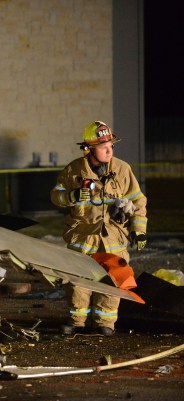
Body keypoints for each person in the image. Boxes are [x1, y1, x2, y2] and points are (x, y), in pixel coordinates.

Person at [50, 120, 148, 336]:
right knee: (77, 281)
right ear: (89, 149)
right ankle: (77, 322)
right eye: (104, 147)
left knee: (112, 279)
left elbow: (138, 201)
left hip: (113, 238)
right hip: (82, 237)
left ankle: (105, 323)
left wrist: (139, 230)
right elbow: (55, 196)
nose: (109, 151)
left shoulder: (123, 169)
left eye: (111, 146)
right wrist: (71, 196)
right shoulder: (74, 170)